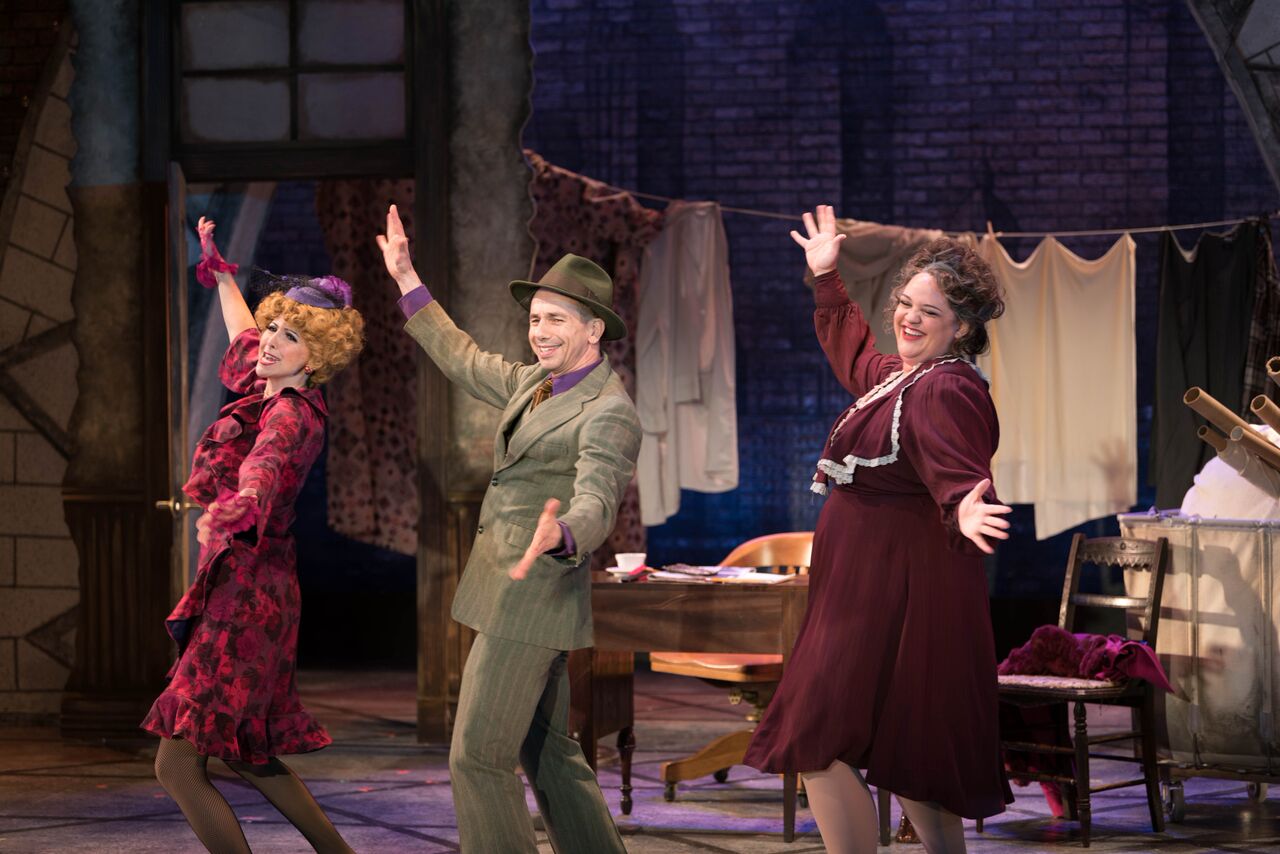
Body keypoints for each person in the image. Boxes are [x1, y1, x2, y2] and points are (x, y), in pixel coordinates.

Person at [743, 205, 1013, 853]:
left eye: (928, 312)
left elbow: (957, 461)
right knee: (902, 755)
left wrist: (967, 502)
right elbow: (854, 350)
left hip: (892, 597)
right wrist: (827, 276)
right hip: (860, 594)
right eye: (905, 303)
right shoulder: (900, 377)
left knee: (834, 738)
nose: (908, 318)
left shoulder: (946, 389)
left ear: (963, 327)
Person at [376, 204, 640, 853]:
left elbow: (599, 497)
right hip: (506, 590)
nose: (539, 332)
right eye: (534, 319)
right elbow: (464, 358)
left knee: (477, 757)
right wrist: (408, 279)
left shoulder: (608, 411)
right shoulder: (535, 385)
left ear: (593, 330)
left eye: (554, 320)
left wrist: (567, 533)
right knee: (547, 750)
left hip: (535, 598)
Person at [141, 217, 365, 854]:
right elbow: (242, 331)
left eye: (289, 337)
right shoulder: (265, 384)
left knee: (177, 764)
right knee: (246, 751)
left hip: (246, 599)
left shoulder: (290, 416)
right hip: (251, 589)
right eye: (274, 326)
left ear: (314, 357)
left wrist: (239, 505)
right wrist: (221, 271)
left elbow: (265, 467)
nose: (269, 342)